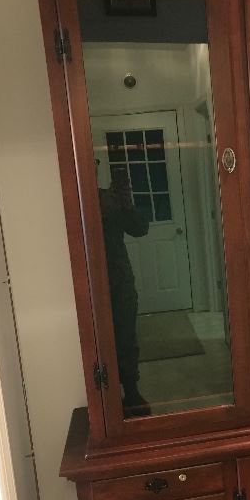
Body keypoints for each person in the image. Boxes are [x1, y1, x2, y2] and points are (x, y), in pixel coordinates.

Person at [98, 165, 150, 417]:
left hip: (119, 277)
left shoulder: (113, 199)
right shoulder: (85, 200)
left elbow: (140, 229)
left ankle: (131, 389)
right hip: (92, 278)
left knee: (126, 335)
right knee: (99, 339)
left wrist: (126, 205)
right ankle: (108, 396)